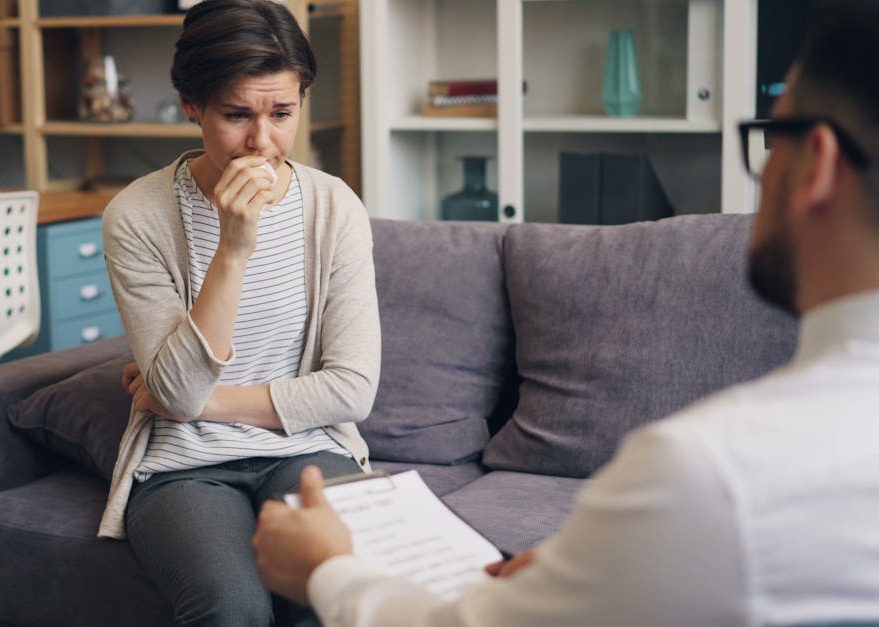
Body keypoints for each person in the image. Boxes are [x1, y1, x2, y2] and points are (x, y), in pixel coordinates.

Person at [252, 3, 879, 625]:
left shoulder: (711, 473)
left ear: (816, 164)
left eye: (773, 139)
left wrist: (326, 570)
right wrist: (594, 570)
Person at [98, 1, 381, 625]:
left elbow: (353, 389)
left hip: (308, 449)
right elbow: (175, 390)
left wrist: (203, 401)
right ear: (190, 104)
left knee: (336, 589)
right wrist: (232, 248)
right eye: (236, 115)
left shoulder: (334, 208)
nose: (262, 141)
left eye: (282, 114)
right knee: (231, 607)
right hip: (184, 467)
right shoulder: (136, 217)